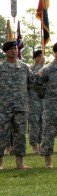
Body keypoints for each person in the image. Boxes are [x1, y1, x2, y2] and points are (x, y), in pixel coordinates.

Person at [0, 41, 34, 170]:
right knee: (2, 134)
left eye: (15, 48)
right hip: (3, 107)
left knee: (20, 135)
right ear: (6, 51)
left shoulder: (24, 67)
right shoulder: (1, 67)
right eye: (11, 49)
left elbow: (31, 84)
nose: (14, 51)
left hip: (20, 107)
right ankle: (0, 162)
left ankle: (20, 162)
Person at [28, 49, 45, 154]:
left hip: (45, 100)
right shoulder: (30, 69)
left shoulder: (47, 69)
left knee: (44, 124)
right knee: (34, 123)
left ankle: (42, 144)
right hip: (33, 101)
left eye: (41, 56)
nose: (40, 58)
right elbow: (33, 79)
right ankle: (34, 145)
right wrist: (39, 66)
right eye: (38, 56)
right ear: (35, 58)